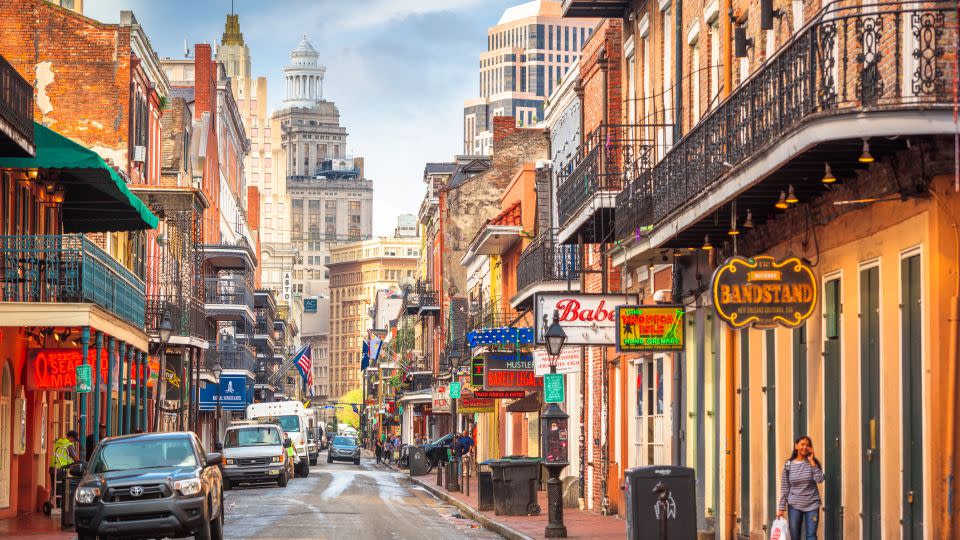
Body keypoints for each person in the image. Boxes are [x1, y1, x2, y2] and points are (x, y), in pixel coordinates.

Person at [777, 435, 825, 540]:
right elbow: (785, 487)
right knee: (795, 536)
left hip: (812, 504)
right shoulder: (788, 465)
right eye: (802, 444)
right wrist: (781, 507)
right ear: (796, 446)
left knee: (811, 536)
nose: (805, 447)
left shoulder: (813, 463)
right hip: (794, 505)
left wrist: (812, 461)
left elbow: (820, 479)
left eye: (808, 445)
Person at [49, 430, 79, 508]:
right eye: (75, 439)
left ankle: (52, 502)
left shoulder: (59, 441)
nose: (75, 441)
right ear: (71, 437)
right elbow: (75, 458)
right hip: (61, 468)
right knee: (60, 486)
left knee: (54, 486)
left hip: (52, 466)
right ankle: (59, 504)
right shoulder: (68, 444)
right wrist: (79, 461)